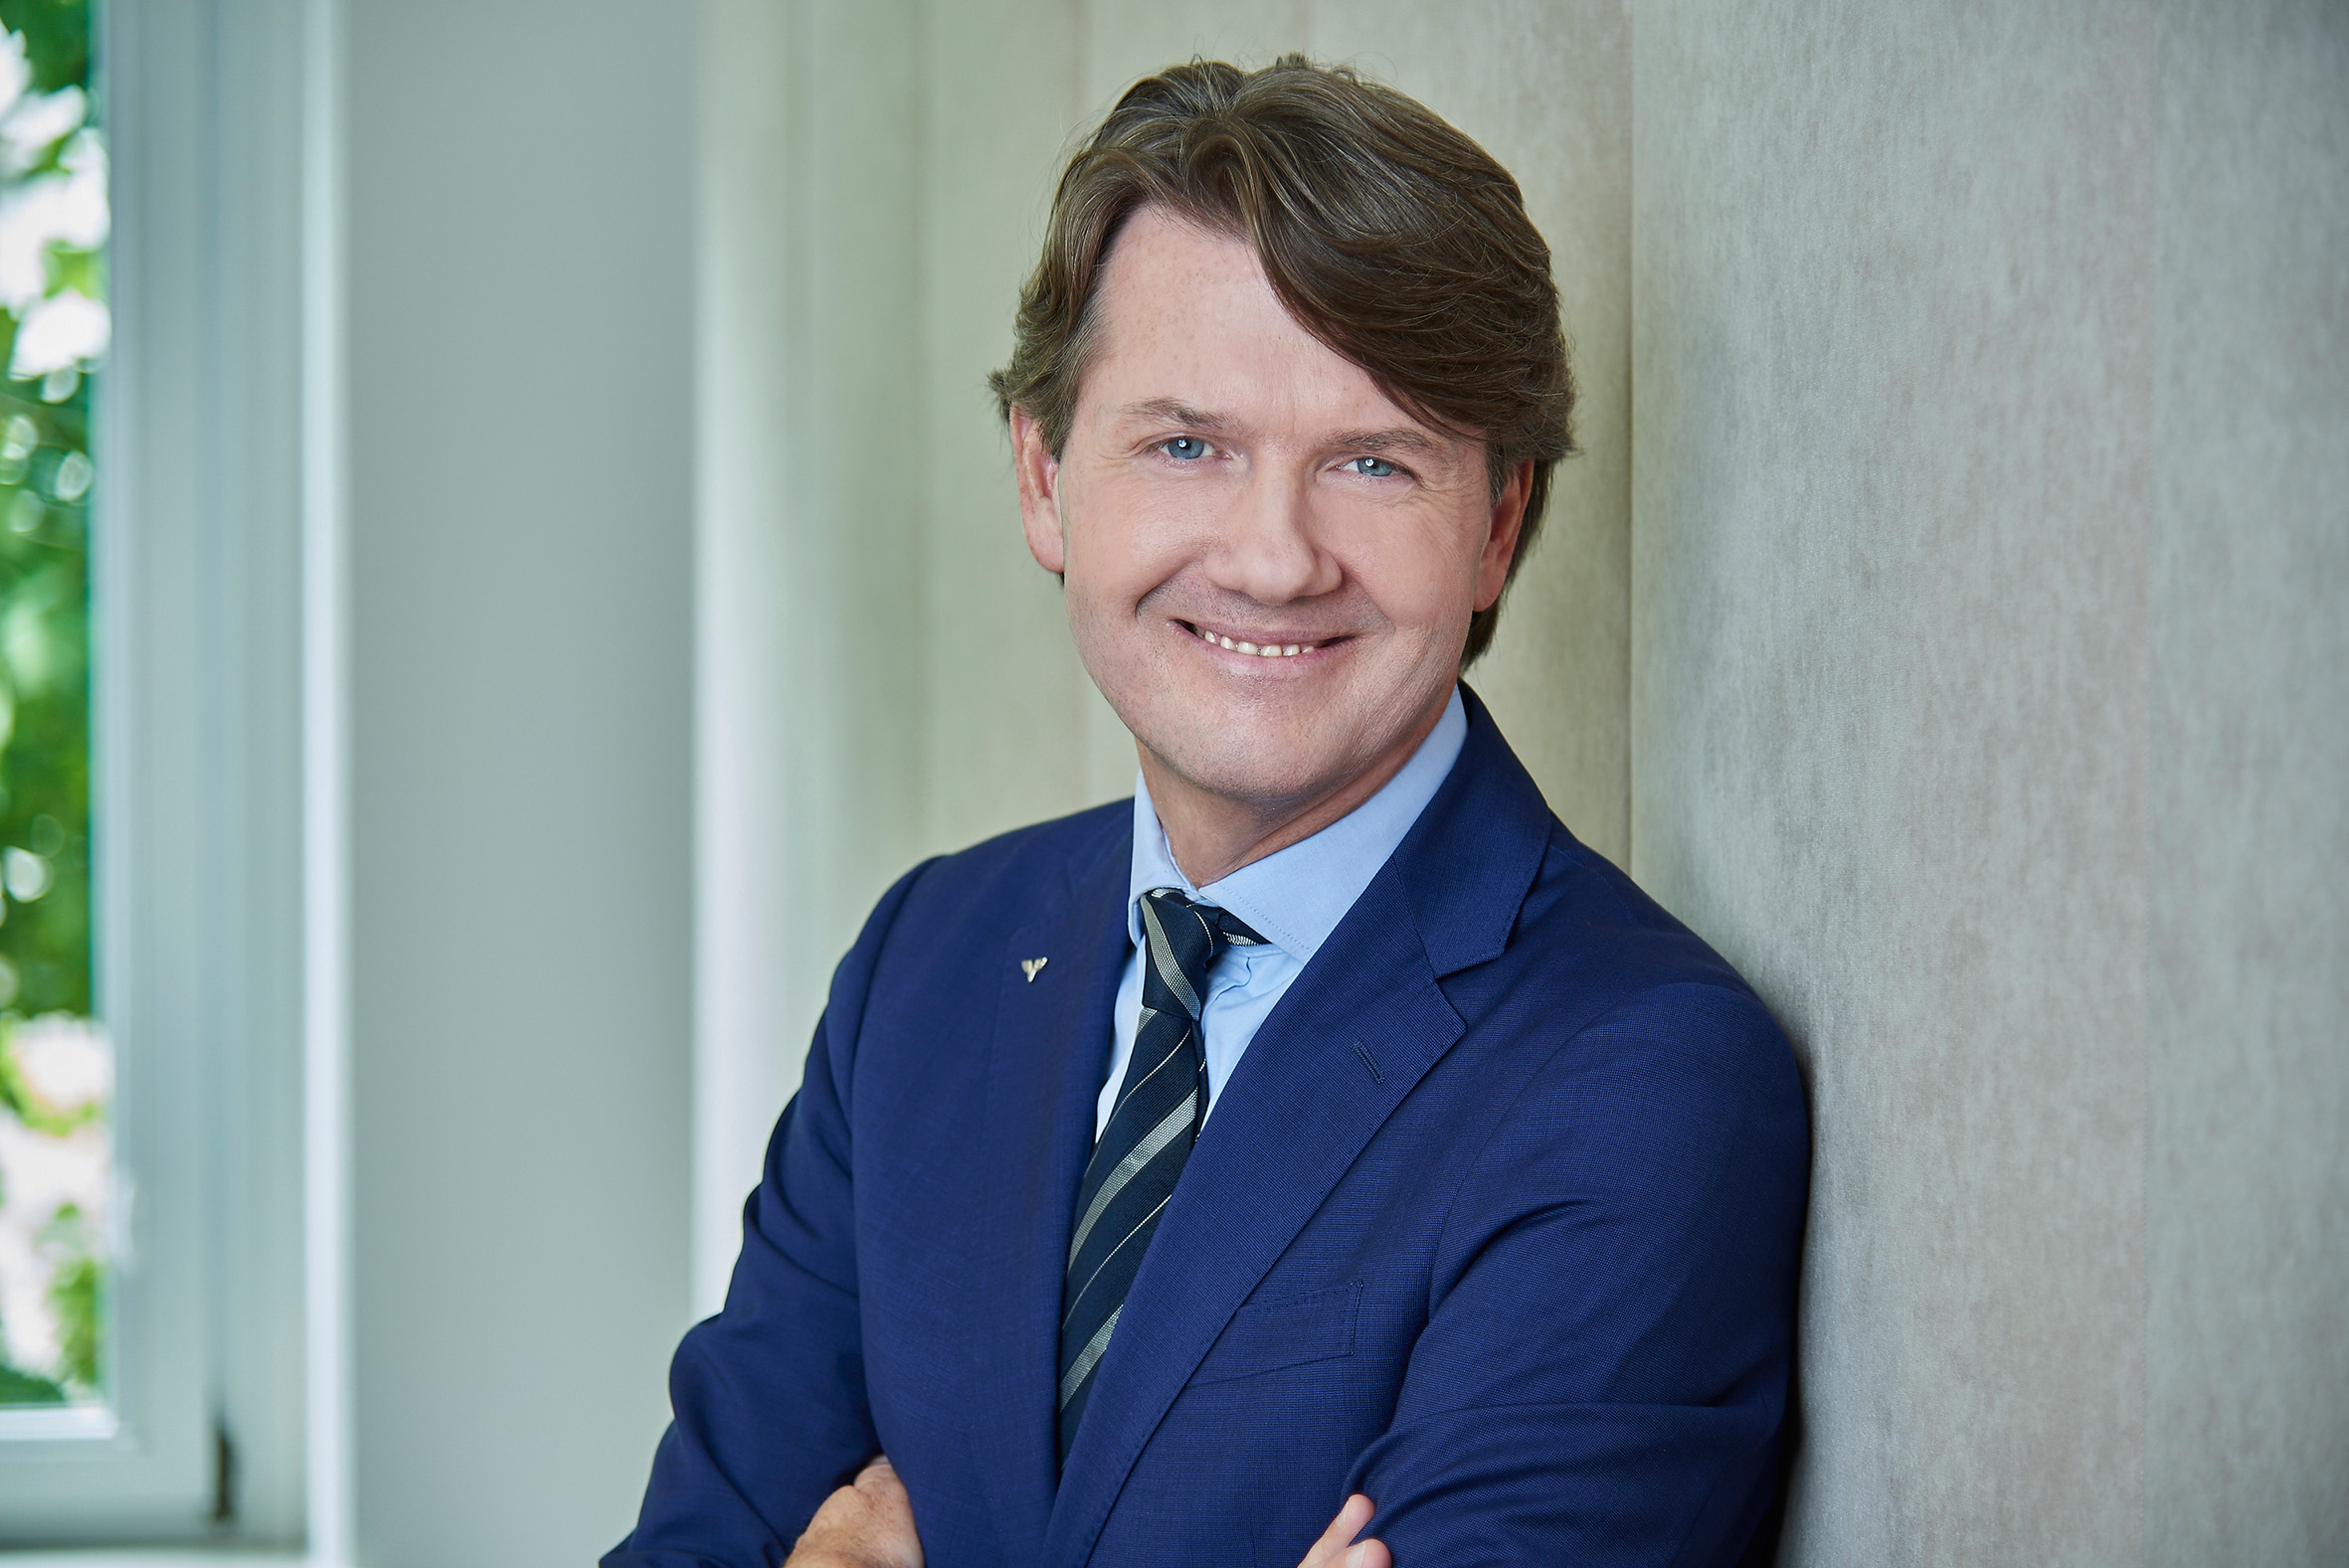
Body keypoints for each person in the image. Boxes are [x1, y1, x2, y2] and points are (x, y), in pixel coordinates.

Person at [608, 56, 1807, 1568]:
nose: (1273, 558)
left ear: (1497, 523)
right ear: (1043, 477)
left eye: (1373, 461)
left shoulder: (1639, 1080)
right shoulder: (926, 964)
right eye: (1187, 445)